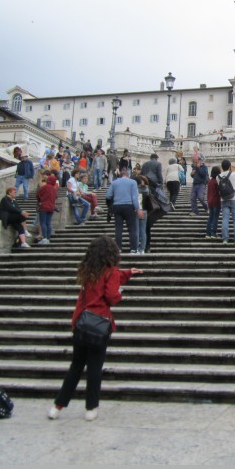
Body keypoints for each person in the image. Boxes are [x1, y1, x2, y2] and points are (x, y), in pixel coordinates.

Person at [48, 236, 143, 421]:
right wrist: (120, 295)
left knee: (75, 367)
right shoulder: (112, 271)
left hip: (82, 323)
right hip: (99, 325)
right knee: (94, 368)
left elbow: (106, 280)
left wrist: (128, 273)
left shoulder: (88, 271)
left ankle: (57, 406)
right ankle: (91, 408)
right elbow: (111, 295)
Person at [105, 167, 143, 253]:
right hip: (129, 206)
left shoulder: (114, 183)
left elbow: (108, 195)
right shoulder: (132, 182)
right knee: (132, 229)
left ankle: (118, 248)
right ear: (128, 175)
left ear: (120, 175)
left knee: (118, 229)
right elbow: (134, 197)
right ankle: (133, 249)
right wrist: (138, 209)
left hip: (117, 206)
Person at [219, 159, 235, 244]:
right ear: (229, 166)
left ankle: (225, 239)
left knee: (225, 219)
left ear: (222, 167)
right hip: (234, 198)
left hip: (224, 199)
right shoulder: (233, 174)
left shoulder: (218, 176)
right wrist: (234, 166)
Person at [36, 174, 59, 245]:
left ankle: (44, 238)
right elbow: (56, 197)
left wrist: (40, 200)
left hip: (44, 207)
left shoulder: (45, 187)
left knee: (43, 222)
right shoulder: (54, 189)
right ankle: (48, 238)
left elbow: (38, 194)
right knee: (48, 223)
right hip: (51, 208)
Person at [205, 166, 221, 239]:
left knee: (210, 217)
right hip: (216, 201)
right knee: (215, 217)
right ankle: (213, 233)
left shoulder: (210, 181)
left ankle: (208, 233)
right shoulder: (216, 181)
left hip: (210, 201)